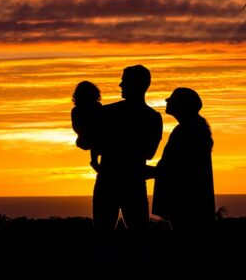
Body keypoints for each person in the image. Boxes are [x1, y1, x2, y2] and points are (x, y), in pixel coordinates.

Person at [92, 65, 163, 235]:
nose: (120, 85)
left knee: (106, 235)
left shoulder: (107, 112)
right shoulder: (152, 117)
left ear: (137, 84)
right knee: (137, 236)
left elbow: (92, 140)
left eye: (124, 81)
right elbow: (148, 153)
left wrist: (97, 158)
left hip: (113, 180)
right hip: (131, 181)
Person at [150, 88, 215, 233]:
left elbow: (177, 168)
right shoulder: (191, 128)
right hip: (188, 202)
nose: (167, 101)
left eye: (172, 99)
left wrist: (147, 171)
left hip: (186, 202)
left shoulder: (188, 130)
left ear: (183, 105)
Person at [71, 80, 103, 171]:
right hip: (84, 138)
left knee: (98, 138)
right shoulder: (76, 110)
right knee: (96, 138)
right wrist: (87, 132)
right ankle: (94, 161)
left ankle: (95, 161)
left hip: (96, 134)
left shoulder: (97, 106)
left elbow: (102, 120)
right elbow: (76, 127)